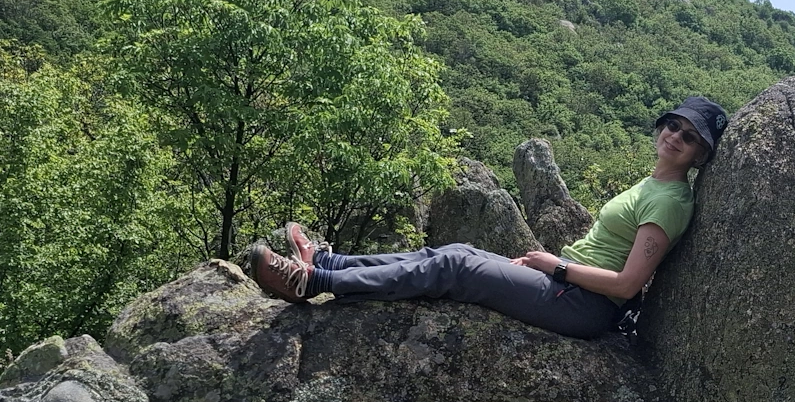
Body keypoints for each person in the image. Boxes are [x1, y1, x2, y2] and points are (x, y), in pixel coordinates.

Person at [246, 96, 728, 339]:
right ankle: (332, 263)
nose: (674, 136)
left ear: (700, 155)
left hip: (583, 305)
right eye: (672, 124)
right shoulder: (655, 184)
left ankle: (314, 283)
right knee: (451, 253)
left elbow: (626, 286)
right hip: (569, 288)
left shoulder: (668, 202)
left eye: (689, 137)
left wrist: (553, 266)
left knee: (455, 267)